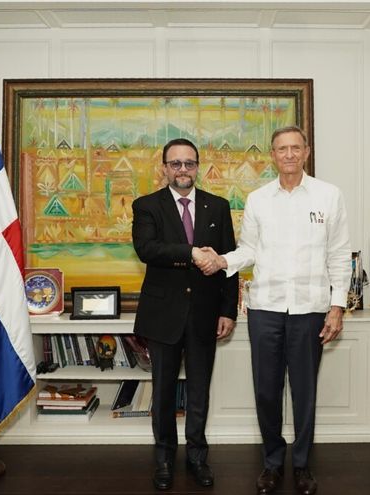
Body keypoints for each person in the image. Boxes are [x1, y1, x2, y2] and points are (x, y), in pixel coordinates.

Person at [196, 126, 351, 495]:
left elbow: (339, 254)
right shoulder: (258, 199)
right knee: (266, 391)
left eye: (296, 148)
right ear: (273, 155)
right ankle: (272, 463)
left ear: (307, 152)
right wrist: (223, 260)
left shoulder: (329, 196)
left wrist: (338, 306)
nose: (289, 154)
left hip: (310, 309)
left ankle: (302, 465)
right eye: (282, 149)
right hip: (265, 308)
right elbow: (249, 249)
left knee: (304, 392)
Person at [131, 138, 239, 491]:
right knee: (163, 392)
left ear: (197, 167)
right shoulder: (147, 205)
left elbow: (229, 261)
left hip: (205, 315)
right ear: (164, 167)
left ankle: (197, 457)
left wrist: (228, 310)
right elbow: (148, 249)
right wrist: (192, 253)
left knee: (199, 391)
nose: (182, 170)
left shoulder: (217, 206)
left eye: (189, 163)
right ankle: (164, 458)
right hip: (163, 315)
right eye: (175, 163)